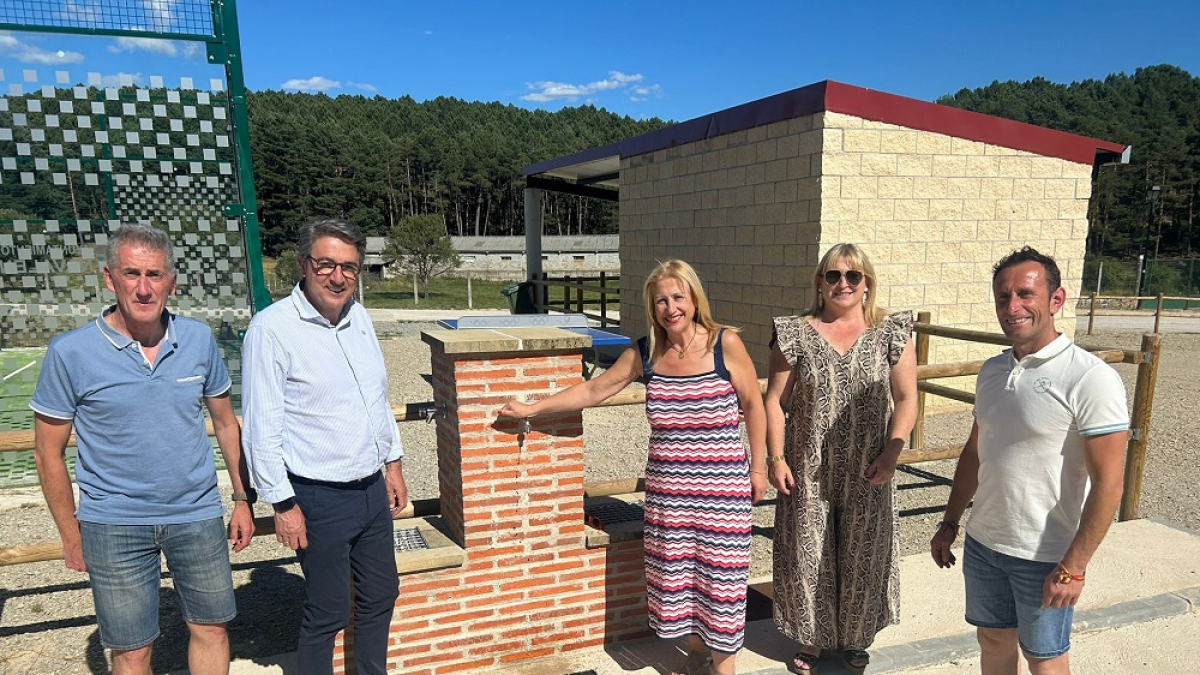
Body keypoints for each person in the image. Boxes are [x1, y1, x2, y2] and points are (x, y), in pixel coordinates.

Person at [500, 260, 767, 675]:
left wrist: (760, 469)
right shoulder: (646, 353)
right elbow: (594, 389)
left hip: (723, 497)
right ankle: (698, 652)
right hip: (669, 501)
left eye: (678, 297)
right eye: (661, 300)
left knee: (723, 588)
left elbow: (753, 404)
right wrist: (532, 409)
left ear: (695, 299)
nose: (671, 308)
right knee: (681, 584)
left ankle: (722, 667)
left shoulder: (724, 343)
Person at [31, 222, 255, 675]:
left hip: (195, 513)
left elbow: (225, 424)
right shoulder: (70, 352)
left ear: (172, 282)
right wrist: (71, 534)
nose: (144, 288)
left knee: (212, 629)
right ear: (110, 278)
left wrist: (241, 498)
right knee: (132, 652)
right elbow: (46, 453)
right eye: (131, 273)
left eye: (155, 274)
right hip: (114, 522)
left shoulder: (197, 339)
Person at [930, 247, 1128, 675]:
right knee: (993, 642)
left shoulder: (1090, 377)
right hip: (984, 544)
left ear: (1056, 300)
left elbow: (1110, 483)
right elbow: (975, 452)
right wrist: (950, 522)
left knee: (1046, 660)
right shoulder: (992, 371)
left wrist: (1074, 566)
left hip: (1045, 554)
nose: (1012, 306)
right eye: (1003, 297)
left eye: (1025, 294)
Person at [241, 217, 406, 675]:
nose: (338, 277)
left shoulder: (359, 317)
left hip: (370, 490)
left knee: (380, 594)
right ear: (303, 264)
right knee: (328, 610)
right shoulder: (272, 330)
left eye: (349, 267)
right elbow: (261, 428)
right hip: (318, 497)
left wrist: (392, 464)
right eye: (326, 265)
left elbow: (375, 398)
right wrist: (282, 503)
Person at [764, 243, 917, 674]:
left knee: (863, 553)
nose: (843, 283)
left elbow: (907, 398)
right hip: (807, 468)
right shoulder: (794, 333)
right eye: (833, 275)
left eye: (853, 276)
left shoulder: (891, 333)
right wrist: (776, 458)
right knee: (808, 554)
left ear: (867, 282)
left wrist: (893, 451)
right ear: (820, 282)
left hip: (870, 467)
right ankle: (811, 639)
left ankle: (854, 638)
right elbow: (775, 401)